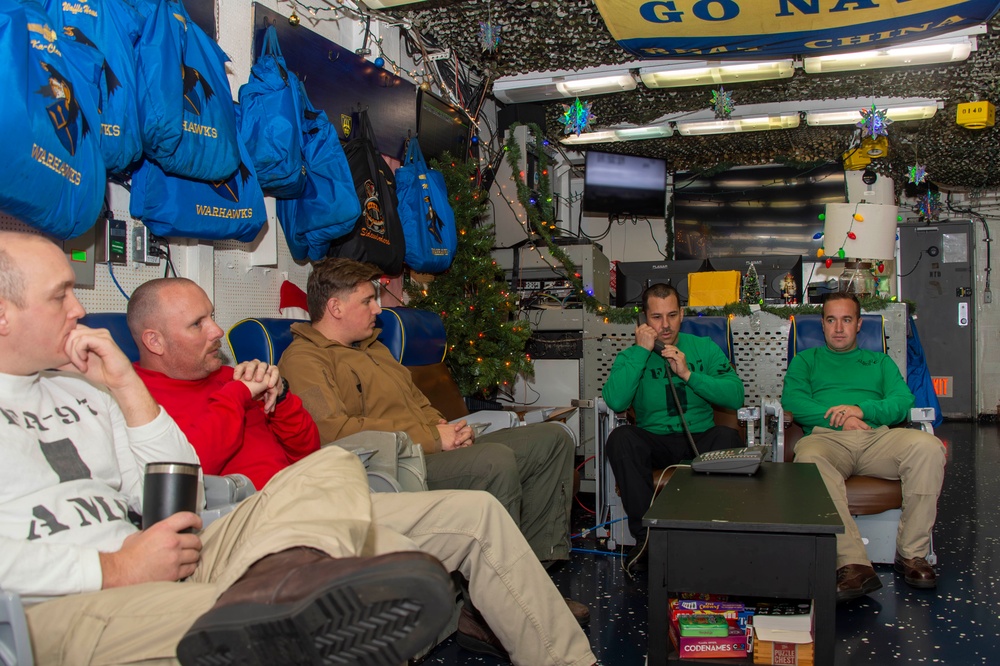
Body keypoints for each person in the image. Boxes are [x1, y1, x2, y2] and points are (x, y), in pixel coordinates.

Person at [0, 232, 457, 665]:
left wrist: (123, 383)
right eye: (61, 295)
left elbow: (182, 486)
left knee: (334, 467)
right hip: (61, 601)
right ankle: (284, 596)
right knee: (299, 616)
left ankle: (288, 583)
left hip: (159, 554)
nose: (79, 308)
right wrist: (114, 568)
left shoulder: (85, 391)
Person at [127, 277, 598, 665]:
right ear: (154, 340)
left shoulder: (233, 378)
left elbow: (306, 445)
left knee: (478, 514)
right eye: (199, 323)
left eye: (212, 315)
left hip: (321, 500)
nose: (216, 330)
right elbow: (191, 464)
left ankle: (569, 661)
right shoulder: (140, 400)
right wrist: (237, 394)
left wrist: (281, 396)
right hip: (258, 526)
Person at [278, 257, 578, 569]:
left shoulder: (373, 348)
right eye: (367, 301)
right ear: (335, 307)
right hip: (394, 467)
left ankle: (539, 568)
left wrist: (442, 426)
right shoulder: (304, 361)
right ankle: (497, 595)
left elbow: (417, 400)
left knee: (552, 439)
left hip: (430, 447)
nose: (378, 310)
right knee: (494, 461)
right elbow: (333, 433)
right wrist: (433, 438)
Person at [782, 292, 946, 602]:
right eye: (832, 320)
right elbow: (793, 402)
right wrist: (840, 419)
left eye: (846, 320)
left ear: (859, 324)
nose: (839, 328)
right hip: (826, 439)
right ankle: (853, 564)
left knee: (928, 447)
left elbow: (902, 401)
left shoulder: (879, 361)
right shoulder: (806, 360)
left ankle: (912, 555)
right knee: (809, 458)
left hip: (877, 438)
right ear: (822, 325)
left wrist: (861, 410)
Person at [602, 283, 745, 568]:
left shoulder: (704, 348)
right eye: (656, 317)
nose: (665, 325)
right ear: (644, 319)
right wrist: (643, 353)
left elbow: (735, 395)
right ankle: (645, 540)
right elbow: (616, 402)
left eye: (671, 315)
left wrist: (689, 375)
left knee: (727, 437)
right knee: (621, 438)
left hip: (699, 438)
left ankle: (715, 534)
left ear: (682, 314)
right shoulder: (632, 356)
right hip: (654, 440)